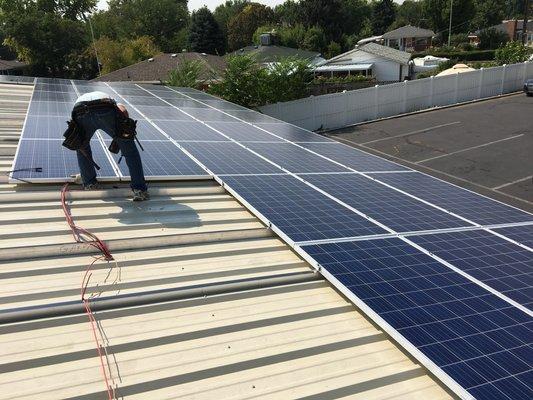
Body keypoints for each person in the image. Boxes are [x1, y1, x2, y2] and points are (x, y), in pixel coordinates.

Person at [72, 91, 149, 201]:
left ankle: (90, 184)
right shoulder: (113, 100)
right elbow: (123, 111)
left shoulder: (83, 97)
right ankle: (139, 190)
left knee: (82, 148)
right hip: (104, 108)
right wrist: (124, 133)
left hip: (79, 110)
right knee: (130, 152)